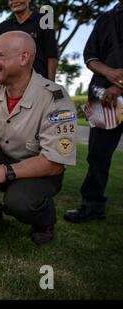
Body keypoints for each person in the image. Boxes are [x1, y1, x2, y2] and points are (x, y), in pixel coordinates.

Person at [0, 31, 77, 245]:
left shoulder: (55, 98)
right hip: (3, 157)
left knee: (19, 203)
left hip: (39, 172)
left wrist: (2, 172)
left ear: (24, 57)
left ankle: (45, 220)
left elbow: (55, 162)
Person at [64, 1, 123, 223]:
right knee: (97, 154)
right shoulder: (105, 18)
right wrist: (109, 72)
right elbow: (90, 56)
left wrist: (119, 86)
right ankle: (92, 206)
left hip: (112, 91)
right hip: (102, 95)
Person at [0, 0, 57, 81]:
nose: (15, 1)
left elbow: (51, 54)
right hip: (13, 83)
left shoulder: (43, 20)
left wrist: (51, 84)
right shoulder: (7, 26)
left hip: (37, 82)